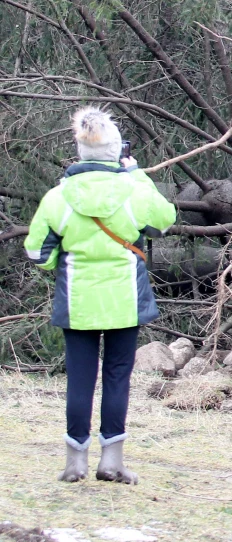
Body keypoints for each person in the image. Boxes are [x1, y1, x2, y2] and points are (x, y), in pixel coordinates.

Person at [24, 107, 176, 484]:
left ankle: (75, 462)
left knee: (79, 379)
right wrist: (136, 173)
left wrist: (66, 260)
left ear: (80, 151)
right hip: (125, 300)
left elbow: (36, 253)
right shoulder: (134, 188)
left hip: (77, 303)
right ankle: (112, 461)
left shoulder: (58, 197)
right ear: (117, 151)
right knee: (117, 377)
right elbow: (165, 220)